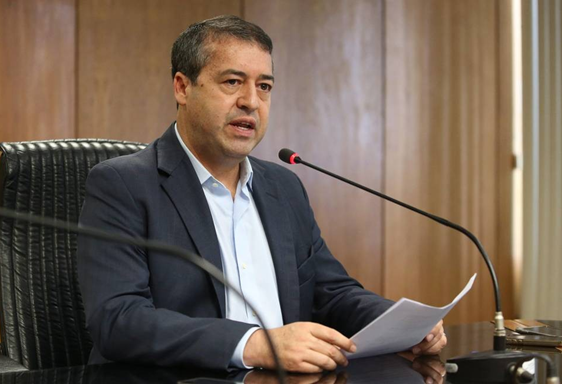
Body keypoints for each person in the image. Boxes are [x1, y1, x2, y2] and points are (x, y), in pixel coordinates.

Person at [77, 15, 447, 373]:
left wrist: (401, 324)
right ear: (182, 87)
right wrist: (256, 345)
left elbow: (331, 293)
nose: (251, 101)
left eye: (264, 86)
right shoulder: (123, 185)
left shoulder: (283, 188)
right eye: (233, 82)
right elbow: (118, 320)